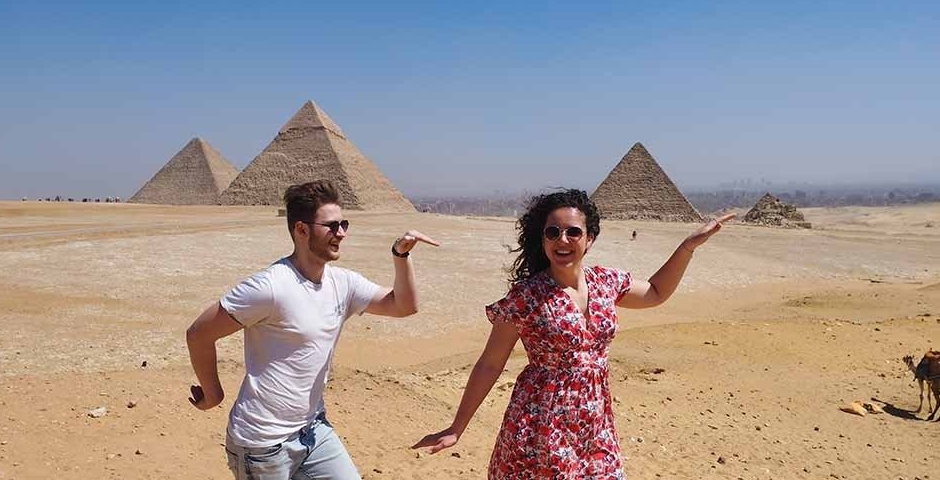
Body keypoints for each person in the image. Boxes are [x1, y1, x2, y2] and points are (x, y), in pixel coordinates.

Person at [414, 189, 733, 479]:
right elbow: (490, 363)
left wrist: (687, 247)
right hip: (542, 423)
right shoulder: (526, 297)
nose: (562, 240)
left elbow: (656, 291)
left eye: (573, 232)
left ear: (590, 238)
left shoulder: (606, 282)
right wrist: (457, 427)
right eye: (552, 232)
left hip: (595, 422)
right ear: (543, 240)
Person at [187, 179, 439, 480]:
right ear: (301, 230)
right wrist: (213, 393)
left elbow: (404, 306)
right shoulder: (270, 287)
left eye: (343, 224)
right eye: (331, 226)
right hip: (262, 443)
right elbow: (199, 333)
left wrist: (400, 255)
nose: (341, 233)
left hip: (313, 430)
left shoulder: (343, 284)